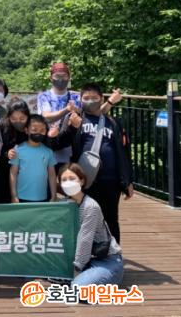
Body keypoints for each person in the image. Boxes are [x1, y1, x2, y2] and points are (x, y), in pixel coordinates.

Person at [58, 83, 134, 243]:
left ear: (102, 99)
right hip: (83, 179)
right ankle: (84, 252)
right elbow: (60, 143)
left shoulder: (113, 122)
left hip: (110, 179)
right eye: (86, 98)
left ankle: (113, 252)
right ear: (80, 100)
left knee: (111, 218)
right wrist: (73, 128)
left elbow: (124, 153)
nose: (90, 101)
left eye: (94, 97)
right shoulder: (75, 119)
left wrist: (127, 181)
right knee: (83, 217)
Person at [58, 163, 124, 287]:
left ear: (82, 181)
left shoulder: (90, 206)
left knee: (77, 288)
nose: (68, 183)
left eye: (72, 178)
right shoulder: (63, 204)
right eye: (64, 180)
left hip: (106, 260)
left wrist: (76, 269)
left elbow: (85, 240)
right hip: (86, 262)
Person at [37, 63, 82, 167]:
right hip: (49, 143)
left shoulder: (76, 96)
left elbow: (85, 112)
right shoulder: (44, 96)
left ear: (69, 77)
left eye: (64, 76)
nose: (61, 79)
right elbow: (47, 117)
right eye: (57, 76)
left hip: (69, 143)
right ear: (51, 78)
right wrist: (66, 110)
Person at [9, 114, 57, 203]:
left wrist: (54, 195)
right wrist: (14, 195)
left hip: (42, 197)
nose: (38, 133)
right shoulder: (18, 150)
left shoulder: (48, 152)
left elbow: (52, 175)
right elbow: (13, 173)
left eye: (42, 130)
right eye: (34, 130)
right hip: (21, 197)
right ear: (26, 130)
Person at [0, 99, 30, 204]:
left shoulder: (32, 125)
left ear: (28, 116)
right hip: (4, 171)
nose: (18, 121)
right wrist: (7, 153)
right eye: (13, 118)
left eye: (22, 118)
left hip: (26, 172)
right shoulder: (1, 126)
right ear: (8, 117)